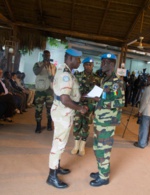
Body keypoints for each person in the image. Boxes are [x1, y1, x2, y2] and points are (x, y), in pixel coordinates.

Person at [46, 48, 88, 189]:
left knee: (60, 141)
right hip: (63, 112)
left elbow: (71, 94)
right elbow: (65, 99)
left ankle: (56, 167)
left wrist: (86, 96)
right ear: (70, 58)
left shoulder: (67, 72)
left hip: (63, 111)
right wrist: (80, 108)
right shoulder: (66, 75)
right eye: (78, 59)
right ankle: (52, 176)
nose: (79, 62)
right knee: (58, 143)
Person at [89, 53, 125, 187]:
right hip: (100, 120)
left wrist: (101, 101)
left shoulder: (117, 82)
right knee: (97, 147)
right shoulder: (104, 80)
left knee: (103, 149)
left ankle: (104, 177)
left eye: (104, 63)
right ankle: (101, 171)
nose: (101, 65)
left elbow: (119, 102)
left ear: (111, 64)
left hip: (108, 122)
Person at [71, 57, 100, 156]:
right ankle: (76, 145)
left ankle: (82, 145)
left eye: (90, 65)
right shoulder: (77, 76)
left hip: (90, 104)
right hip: (78, 104)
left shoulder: (96, 78)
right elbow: (72, 90)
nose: (88, 66)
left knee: (86, 125)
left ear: (93, 66)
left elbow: (98, 93)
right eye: (87, 64)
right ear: (83, 65)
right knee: (77, 124)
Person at [33, 50, 56, 133]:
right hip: (40, 90)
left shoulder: (53, 66)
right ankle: (38, 126)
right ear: (43, 56)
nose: (47, 57)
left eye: (48, 55)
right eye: (45, 55)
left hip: (50, 90)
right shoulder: (38, 64)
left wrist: (53, 78)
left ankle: (49, 124)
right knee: (38, 109)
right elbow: (36, 72)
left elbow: (55, 77)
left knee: (50, 109)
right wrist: (43, 64)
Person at [134, 75, 150, 148]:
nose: (148, 80)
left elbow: (145, 101)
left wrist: (140, 111)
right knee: (144, 127)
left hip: (146, 111)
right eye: (148, 79)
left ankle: (142, 143)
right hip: (148, 111)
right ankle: (141, 142)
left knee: (144, 128)